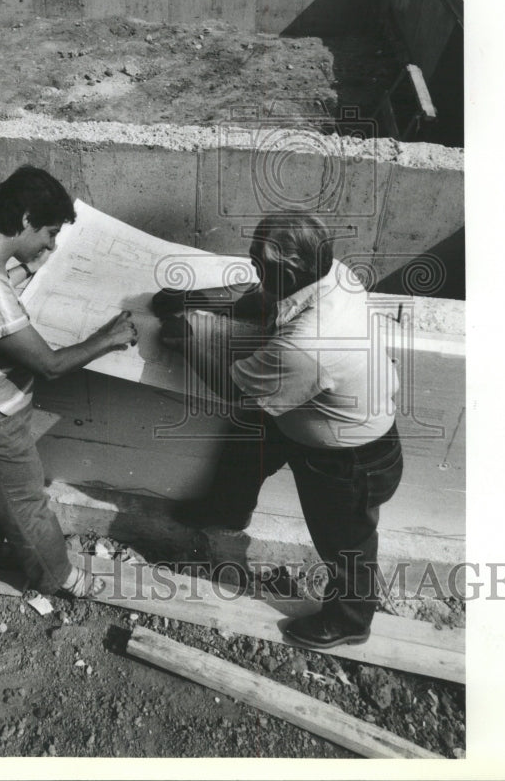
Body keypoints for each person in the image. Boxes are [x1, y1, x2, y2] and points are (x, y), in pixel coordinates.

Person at [157, 212, 402, 650]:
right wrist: (194, 299)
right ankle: (228, 511)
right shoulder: (328, 274)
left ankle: (350, 619)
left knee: (345, 543)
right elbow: (262, 299)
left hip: (348, 458)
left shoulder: (309, 343)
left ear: (289, 268)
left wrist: (188, 335)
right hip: (307, 417)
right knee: (243, 446)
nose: (251, 266)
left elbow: (232, 387)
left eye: (258, 259)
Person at [0, 166, 137, 598]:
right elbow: (48, 365)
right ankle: (61, 578)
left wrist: (31, 268)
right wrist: (108, 337)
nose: (51, 243)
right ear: (25, 219)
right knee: (26, 506)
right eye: (48, 232)